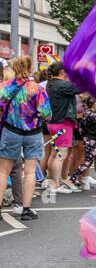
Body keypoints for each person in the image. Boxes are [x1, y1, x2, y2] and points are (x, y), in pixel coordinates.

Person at [0, 56, 50, 221]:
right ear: (30, 68)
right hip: (33, 133)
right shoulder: (37, 88)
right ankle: (26, 209)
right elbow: (47, 113)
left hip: (11, 131)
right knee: (29, 172)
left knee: (3, 171)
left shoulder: (5, 87)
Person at [42, 62, 80, 197]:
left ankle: (53, 182)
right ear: (62, 72)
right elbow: (79, 87)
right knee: (60, 155)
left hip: (52, 123)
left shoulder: (50, 84)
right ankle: (56, 184)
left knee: (54, 153)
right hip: (62, 124)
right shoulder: (62, 85)